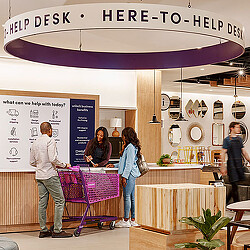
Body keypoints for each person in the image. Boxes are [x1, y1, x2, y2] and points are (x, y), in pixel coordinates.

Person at [30, 122, 73, 238]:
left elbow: (31, 162)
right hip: (50, 175)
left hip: (39, 176)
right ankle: (57, 230)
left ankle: (43, 230)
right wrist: (65, 165)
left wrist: (41, 165)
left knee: (42, 203)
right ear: (49, 130)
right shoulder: (50, 140)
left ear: (40, 130)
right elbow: (53, 158)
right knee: (60, 201)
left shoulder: (35, 143)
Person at [107, 127, 141, 227]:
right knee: (131, 197)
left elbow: (129, 164)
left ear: (126, 136)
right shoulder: (130, 146)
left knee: (127, 197)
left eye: (123, 135)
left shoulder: (130, 147)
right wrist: (114, 165)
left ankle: (126, 220)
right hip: (131, 174)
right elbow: (124, 162)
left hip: (129, 174)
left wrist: (124, 177)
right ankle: (132, 219)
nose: (122, 137)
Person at [220, 121, 250, 204]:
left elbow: (244, 152)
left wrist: (249, 160)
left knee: (234, 186)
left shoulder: (239, 140)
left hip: (239, 165)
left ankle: (225, 203)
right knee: (234, 185)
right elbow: (222, 153)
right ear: (231, 128)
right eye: (237, 127)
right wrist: (223, 166)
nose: (239, 129)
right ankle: (237, 206)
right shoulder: (227, 140)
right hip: (232, 166)